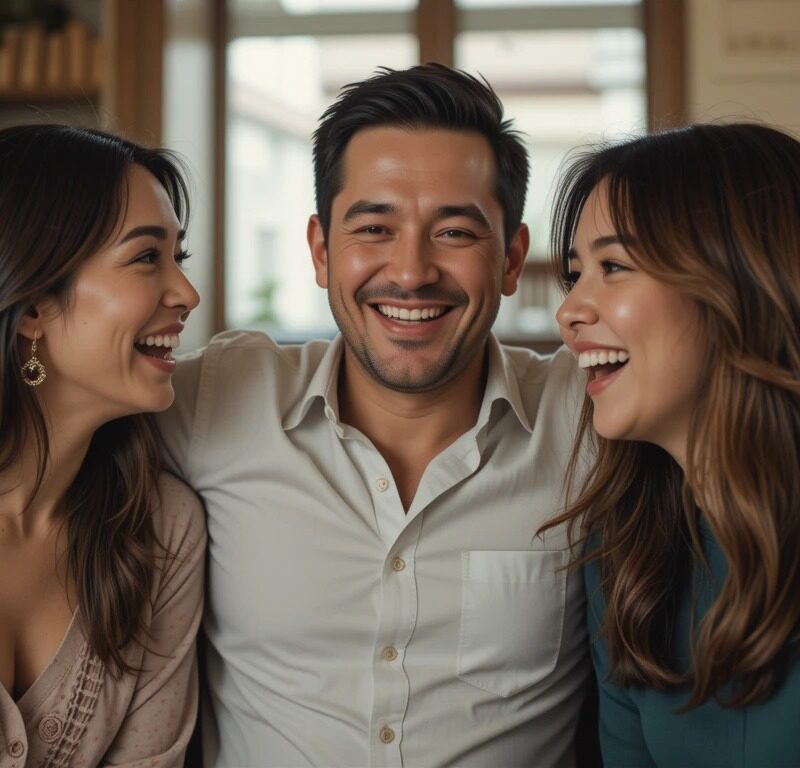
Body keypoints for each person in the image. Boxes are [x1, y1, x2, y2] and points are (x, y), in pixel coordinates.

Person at [159, 64, 589, 767]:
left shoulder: (586, 421)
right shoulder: (220, 400)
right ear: (321, 251)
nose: (412, 272)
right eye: (374, 228)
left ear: (512, 259)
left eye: (455, 232)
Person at [551, 122, 800, 767]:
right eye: (576, 275)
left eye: (613, 267)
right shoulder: (627, 558)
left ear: (740, 279)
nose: (569, 311)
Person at [0, 124, 205, 767]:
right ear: (34, 305)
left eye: (179, 257)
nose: (188, 294)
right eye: (146, 258)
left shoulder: (160, 532)